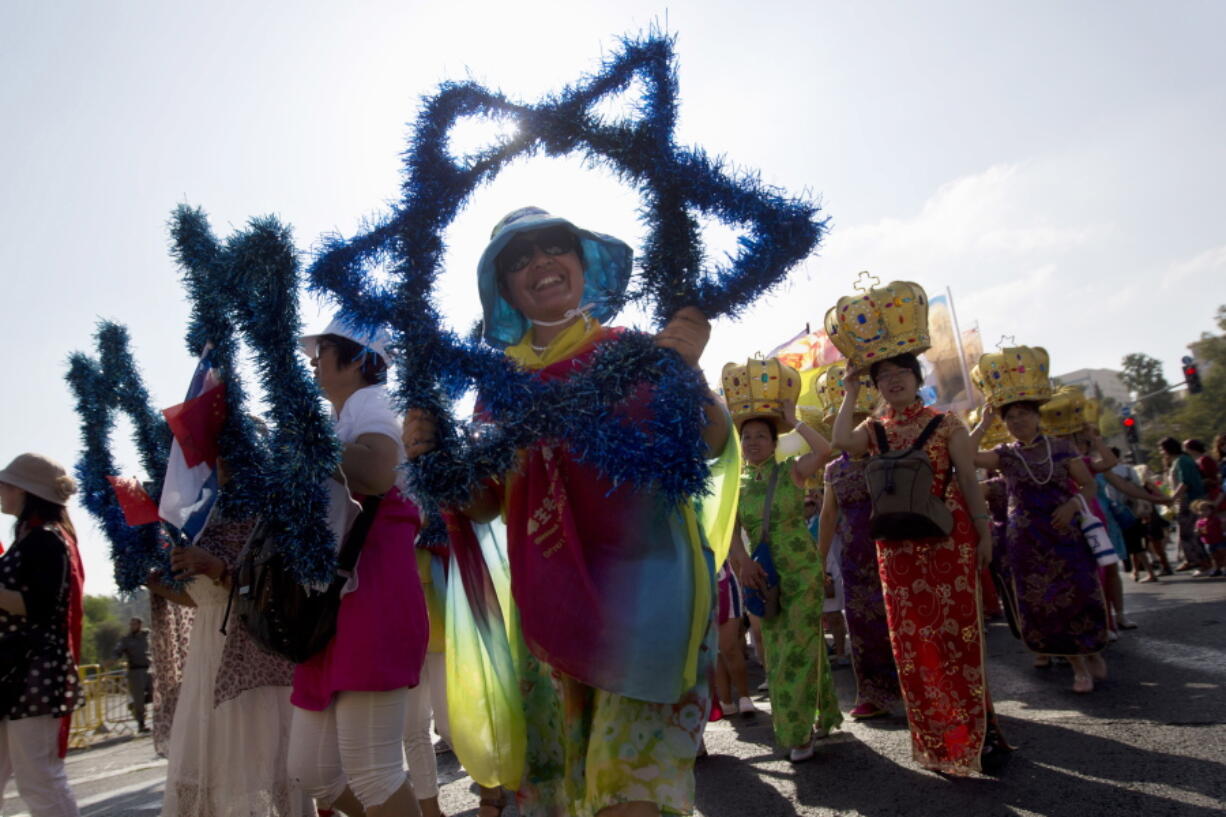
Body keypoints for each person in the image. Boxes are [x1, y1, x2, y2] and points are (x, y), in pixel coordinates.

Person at [403, 207, 734, 817]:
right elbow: (485, 503)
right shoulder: (496, 388)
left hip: (649, 599)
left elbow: (709, 444)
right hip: (549, 612)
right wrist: (435, 459)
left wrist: (687, 368)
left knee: (632, 793)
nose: (540, 264)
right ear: (504, 289)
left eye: (554, 247)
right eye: (518, 260)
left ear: (582, 264)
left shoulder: (636, 353)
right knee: (561, 796)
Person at [832, 353, 1010, 775]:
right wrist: (851, 388)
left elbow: (968, 478)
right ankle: (938, 741)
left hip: (949, 540)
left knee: (958, 641)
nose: (893, 381)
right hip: (897, 550)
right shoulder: (873, 429)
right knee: (914, 647)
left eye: (901, 373)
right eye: (884, 376)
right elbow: (841, 441)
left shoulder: (949, 424)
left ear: (917, 377)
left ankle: (979, 737)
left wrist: (983, 532)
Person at [288, 318, 430, 817]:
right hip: (330, 604)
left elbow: (373, 473)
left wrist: (303, 439)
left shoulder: (376, 404)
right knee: (314, 772)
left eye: (322, 350)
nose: (313, 360)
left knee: (373, 772)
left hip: (372, 596)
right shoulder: (338, 418)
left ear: (355, 358)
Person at [146, 456, 310, 817]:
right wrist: (159, 584)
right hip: (208, 657)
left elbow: (273, 586)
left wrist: (217, 567)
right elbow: (202, 599)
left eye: (224, 454)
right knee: (206, 763)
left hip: (253, 658)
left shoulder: (264, 513)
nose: (215, 463)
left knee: (272, 764)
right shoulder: (201, 515)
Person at [972, 403, 1116, 692]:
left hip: (1066, 533)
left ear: (1037, 416)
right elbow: (967, 456)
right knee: (1046, 603)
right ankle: (1077, 666)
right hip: (1026, 539)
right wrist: (985, 423)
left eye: (1023, 414)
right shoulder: (1005, 454)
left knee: (1081, 593)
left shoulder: (1061, 447)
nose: (1017, 421)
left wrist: (1072, 505)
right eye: (1010, 418)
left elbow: (1088, 486)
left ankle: (1092, 650)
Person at [731, 401, 842, 763]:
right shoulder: (736, 484)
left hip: (801, 571)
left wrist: (795, 419)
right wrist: (742, 563)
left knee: (797, 647)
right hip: (762, 576)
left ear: (775, 441)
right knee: (780, 651)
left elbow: (827, 450)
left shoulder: (792, 471)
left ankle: (799, 733)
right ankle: (822, 714)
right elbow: (730, 531)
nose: (753, 442)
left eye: (761, 435)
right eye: (746, 436)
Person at [0, 453, 84, 817]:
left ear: (24, 490)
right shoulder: (33, 537)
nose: (1, 492)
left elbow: (42, 607)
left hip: (35, 673)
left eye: (5, 485)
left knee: (39, 779)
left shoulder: (47, 540)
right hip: (15, 670)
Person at [818, 432, 901, 721]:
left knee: (902, 621)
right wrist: (820, 560)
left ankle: (917, 690)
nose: (850, 433)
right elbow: (828, 516)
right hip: (854, 557)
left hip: (895, 549)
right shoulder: (833, 470)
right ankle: (871, 694)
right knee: (863, 626)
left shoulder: (887, 458)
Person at [1160, 437, 1210, 573]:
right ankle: (1195, 560)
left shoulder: (1182, 461)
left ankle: (1200, 561)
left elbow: (1185, 482)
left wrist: (1172, 498)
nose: (1161, 452)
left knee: (1190, 533)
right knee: (1187, 532)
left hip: (1190, 500)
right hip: (1186, 500)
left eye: (1162, 449)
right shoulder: (1180, 460)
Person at [115, 617, 151, 732]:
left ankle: (134, 705)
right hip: (135, 671)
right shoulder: (126, 639)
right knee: (139, 698)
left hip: (150, 669)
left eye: (134, 624)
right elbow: (118, 650)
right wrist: (113, 658)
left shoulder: (148, 635)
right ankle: (141, 723)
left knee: (155, 692)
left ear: (140, 625)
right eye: (131, 624)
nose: (132, 626)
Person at [1192, 499, 1226, 576]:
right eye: (1201, 510)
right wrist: (1198, 532)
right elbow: (1198, 532)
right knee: (1213, 556)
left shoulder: (1216, 519)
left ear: (1211, 510)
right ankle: (1217, 568)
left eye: (1206, 510)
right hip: (1208, 542)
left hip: (1219, 540)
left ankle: (1224, 568)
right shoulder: (1199, 522)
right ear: (1197, 511)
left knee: (1222, 554)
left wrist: (1223, 528)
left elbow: (1222, 527)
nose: (1204, 512)